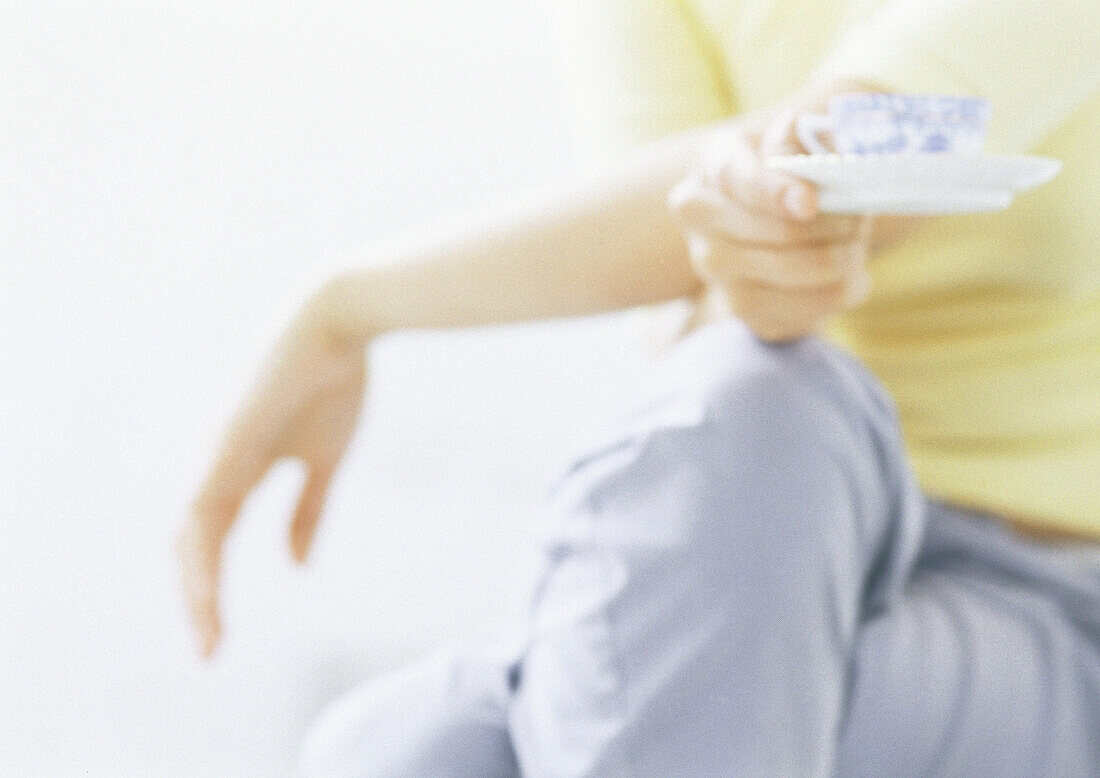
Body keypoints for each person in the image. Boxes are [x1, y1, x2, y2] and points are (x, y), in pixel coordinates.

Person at [177, 0, 1100, 774]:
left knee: (425, 750)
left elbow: (854, 152)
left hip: (1041, 594)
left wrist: (348, 306)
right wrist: (728, 256)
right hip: (764, 550)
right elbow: (680, 316)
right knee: (404, 748)